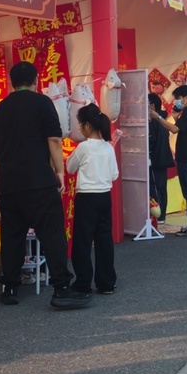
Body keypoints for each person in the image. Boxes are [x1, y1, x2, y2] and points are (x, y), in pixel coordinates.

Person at [0, 61, 90, 309]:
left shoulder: (0, 108)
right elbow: (54, 139)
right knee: (52, 234)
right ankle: (61, 288)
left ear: (12, 82)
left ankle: (10, 288)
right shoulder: (42, 103)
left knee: (12, 236)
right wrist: (59, 171)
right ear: (36, 80)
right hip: (38, 181)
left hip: (8, 183)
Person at [66, 104, 119, 294]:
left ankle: (83, 283)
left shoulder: (84, 147)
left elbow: (70, 167)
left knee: (83, 241)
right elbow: (114, 175)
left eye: (80, 124)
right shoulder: (108, 147)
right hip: (104, 196)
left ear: (87, 125)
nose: (79, 128)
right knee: (104, 240)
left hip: (86, 197)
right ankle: (106, 282)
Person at [150, 84, 187, 236]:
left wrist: (158, 117)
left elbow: (174, 129)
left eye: (178, 98)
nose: (176, 102)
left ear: (186, 97)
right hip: (186, 157)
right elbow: (179, 125)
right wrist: (174, 116)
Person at [148, 93, 174, 223]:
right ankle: (162, 214)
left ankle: (158, 215)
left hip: (155, 159)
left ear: (152, 106)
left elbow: (151, 141)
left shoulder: (153, 120)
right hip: (163, 158)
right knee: (162, 187)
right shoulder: (163, 119)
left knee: (156, 188)